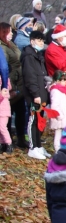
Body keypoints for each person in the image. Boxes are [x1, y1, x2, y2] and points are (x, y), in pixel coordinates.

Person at [20, 30, 48, 159]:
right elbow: (30, 77)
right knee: (33, 120)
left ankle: (38, 145)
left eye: (42, 40)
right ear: (32, 41)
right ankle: (32, 147)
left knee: (39, 120)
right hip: (34, 95)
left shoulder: (39, 56)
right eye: (38, 40)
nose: (41, 43)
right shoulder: (28, 56)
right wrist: (35, 94)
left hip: (41, 94)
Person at [0, 22, 26, 150]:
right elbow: (4, 68)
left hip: (18, 82)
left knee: (20, 111)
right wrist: (6, 85)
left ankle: (20, 138)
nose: (12, 33)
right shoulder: (2, 47)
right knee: (7, 114)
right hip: (11, 84)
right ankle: (7, 141)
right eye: (9, 31)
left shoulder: (10, 44)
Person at [48, 71, 66, 151]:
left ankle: (62, 149)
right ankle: (58, 150)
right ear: (58, 81)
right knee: (58, 135)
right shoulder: (55, 91)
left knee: (62, 134)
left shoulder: (61, 90)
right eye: (64, 80)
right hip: (60, 118)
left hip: (63, 117)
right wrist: (59, 116)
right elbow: (54, 105)